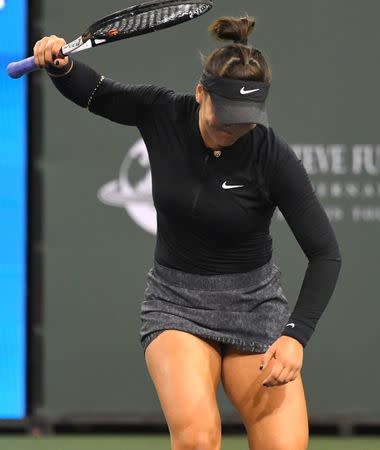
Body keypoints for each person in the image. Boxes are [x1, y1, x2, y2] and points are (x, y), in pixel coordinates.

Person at [34, 15, 341, 450]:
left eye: (245, 120)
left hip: (256, 308)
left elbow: (326, 254)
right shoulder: (163, 112)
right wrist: (60, 65)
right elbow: (97, 92)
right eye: (224, 117)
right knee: (198, 439)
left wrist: (294, 336)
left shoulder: (272, 157)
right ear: (201, 94)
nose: (233, 129)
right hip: (177, 305)